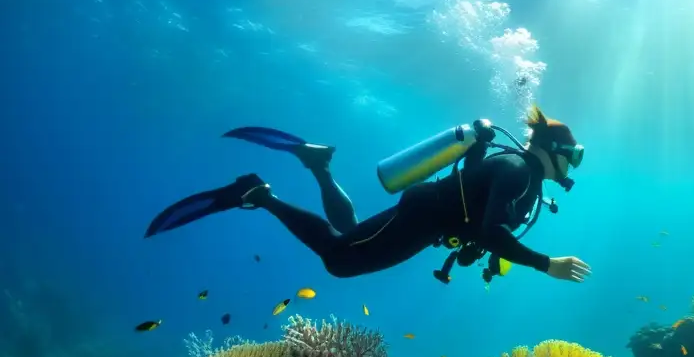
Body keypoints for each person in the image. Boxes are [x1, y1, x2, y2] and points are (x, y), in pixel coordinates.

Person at [145, 106, 591, 283]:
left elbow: (471, 184)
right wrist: (545, 264)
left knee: (351, 235)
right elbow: (491, 229)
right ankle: (258, 194)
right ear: (553, 150)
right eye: (573, 156)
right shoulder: (518, 171)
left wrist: (475, 150)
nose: (572, 166)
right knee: (339, 259)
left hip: (426, 216)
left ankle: (318, 167)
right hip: (423, 219)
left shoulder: (517, 170)